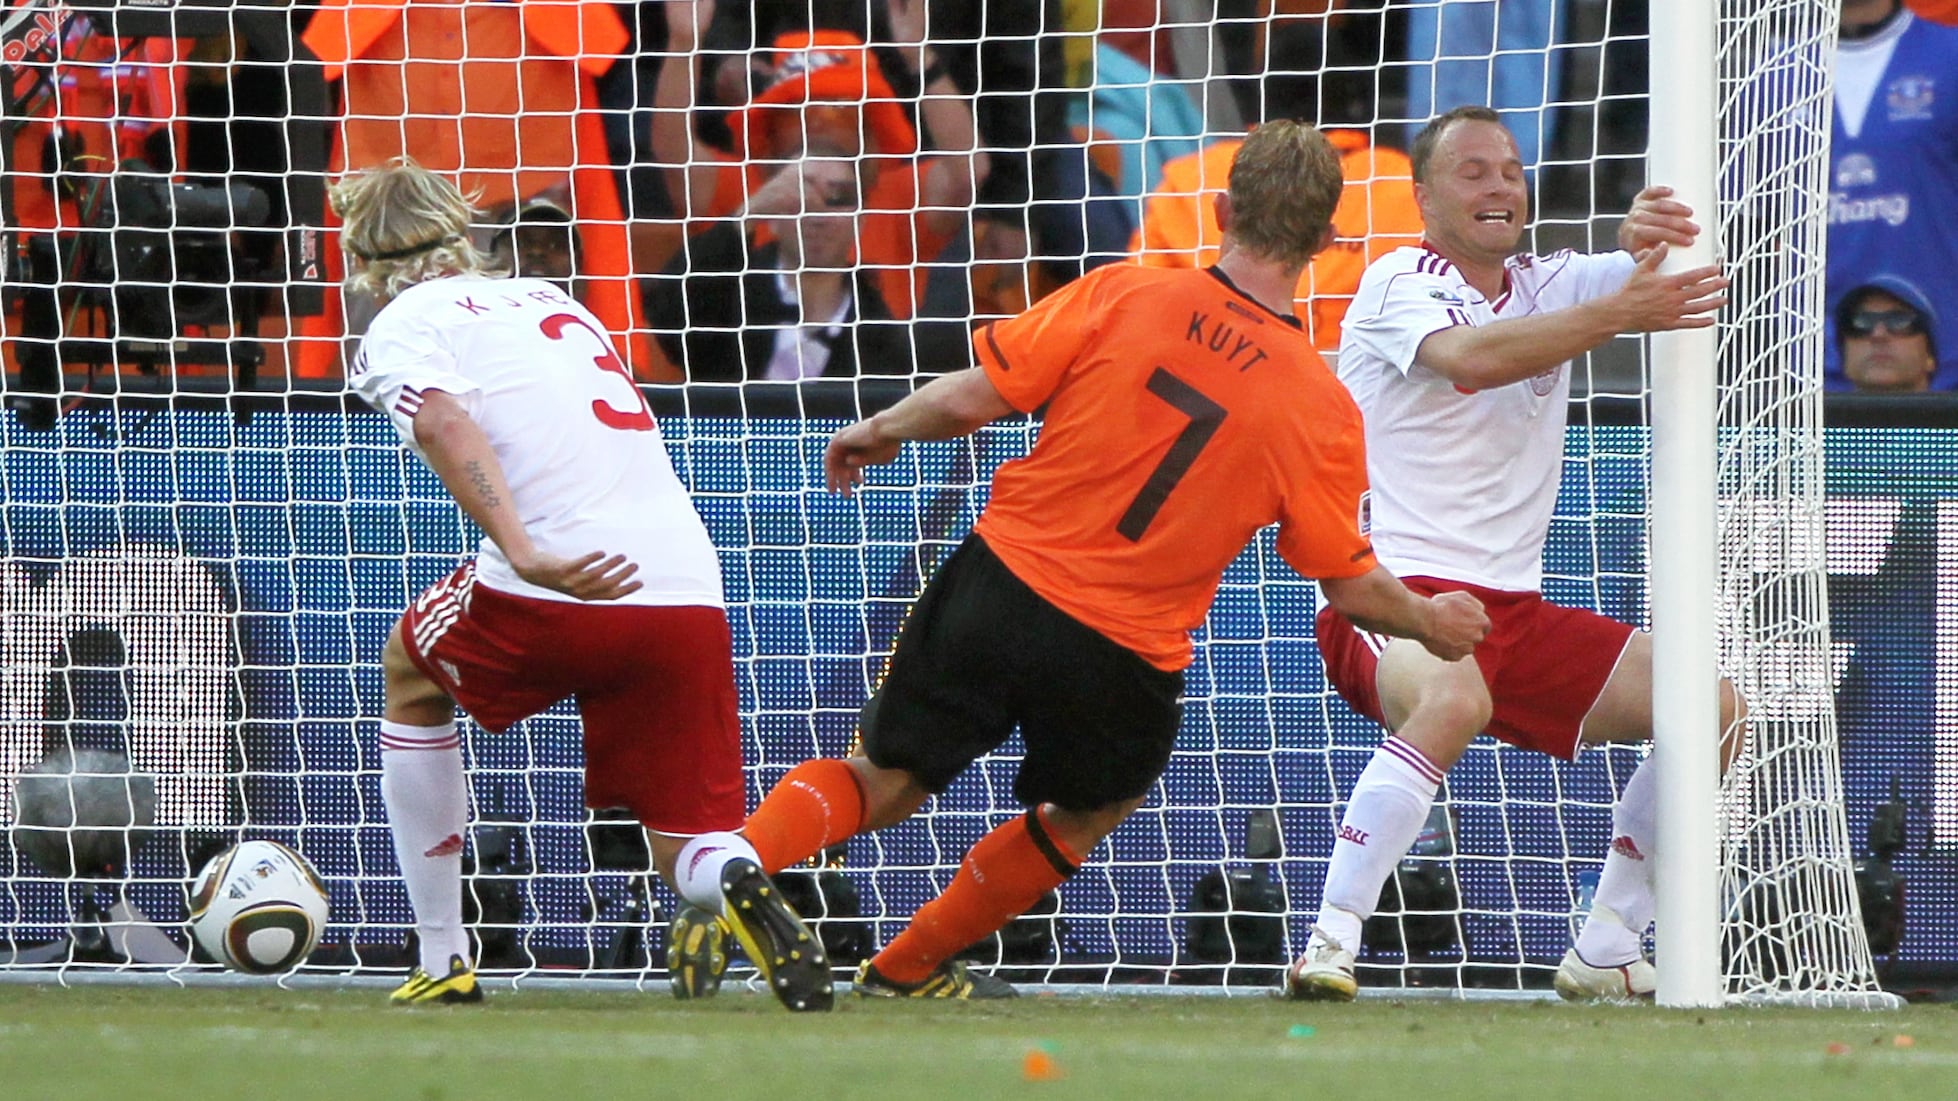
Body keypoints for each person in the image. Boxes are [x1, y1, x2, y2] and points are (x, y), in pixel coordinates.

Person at [665, 120, 1492, 1000]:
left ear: (1220, 210)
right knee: (1089, 808)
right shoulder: (1321, 405)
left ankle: (734, 859)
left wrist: (878, 429)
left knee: (886, 773)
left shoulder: (1122, 294)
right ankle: (907, 966)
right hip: (1124, 648)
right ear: (1330, 243)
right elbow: (1345, 580)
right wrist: (1429, 619)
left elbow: (978, 396)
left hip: (1000, 580)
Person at [338, 158, 830, 1012]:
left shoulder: (404, 323)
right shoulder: (554, 300)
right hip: (683, 588)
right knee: (687, 844)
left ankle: (444, 955)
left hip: (562, 578)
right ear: (463, 233)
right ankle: (737, 876)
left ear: (363, 257)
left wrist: (523, 551)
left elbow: (445, 420)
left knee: (411, 671)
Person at [1285, 105, 1743, 1004]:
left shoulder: (1558, 279)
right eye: (1473, 171)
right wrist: (1621, 304)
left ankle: (1608, 938)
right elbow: (1469, 358)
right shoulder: (1393, 280)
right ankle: (1330, 940)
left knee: (1714, 706)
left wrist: (1648, 230)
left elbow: (1647, 270)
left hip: (1512, 612)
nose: (1500, 185)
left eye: (1511, 170)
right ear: (1423, 196)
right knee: (1456, 694)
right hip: (1391, 594)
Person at [646, 142, 915, 381]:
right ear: (772, 216)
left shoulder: (877, 330)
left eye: (837, 199)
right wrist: (745, 216)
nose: (818, 217)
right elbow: (667, 314)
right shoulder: (727, 296)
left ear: (861, 221)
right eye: (799, 196)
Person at [1826, 0, 1958, 390]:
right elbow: (1744, 226)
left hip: (1944, 364)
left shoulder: (1950, 56)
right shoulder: (1773, 76)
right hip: (1807, 375)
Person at [1836, 276, 1942, 393]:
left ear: (1929, 355)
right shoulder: (1814, 410)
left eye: (1899, 320)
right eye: (1862, 322)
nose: (1878, 335)